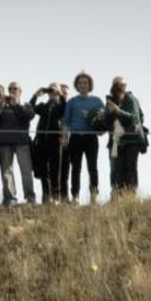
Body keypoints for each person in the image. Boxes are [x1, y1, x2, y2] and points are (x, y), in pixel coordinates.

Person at [62, 72, 104, 203]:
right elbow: (66, 122)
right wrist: (64, 137)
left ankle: (93, 196)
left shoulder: (97, 101)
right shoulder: (72, 102)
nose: (82, 85)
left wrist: (92, 116)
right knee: (76, 168)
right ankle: (75, 196)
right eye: (80, 83)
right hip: (75, 137)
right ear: (77, 85)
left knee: (92, 167)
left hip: (91, 138)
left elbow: (103, 120)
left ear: (89, 84)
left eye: (85, 83)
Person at [0, 83, 35, 205]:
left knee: (26, 169)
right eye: (10, 89)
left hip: (22, 142)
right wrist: (1, 104)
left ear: (20, 91)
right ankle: (10, 197)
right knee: (6, 171)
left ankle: (30, 197)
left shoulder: (26, 105)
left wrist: (17, 104)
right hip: (5, 141)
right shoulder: (3, 105)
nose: (12, 91)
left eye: (15, 89)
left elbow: (29, 116)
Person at [104, 77, 145, 194]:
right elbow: (107, 122)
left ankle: (131, 194)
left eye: (122, 84)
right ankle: (119, 195)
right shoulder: (110, 101)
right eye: (116, 84)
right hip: (117, 141)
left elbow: (134, 118)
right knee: (118, 170)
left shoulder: (131, 99)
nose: (119, 87)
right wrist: (104, 115)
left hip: (132, 139)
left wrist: (118, 111)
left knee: (131, 167)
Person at [31, 83, 67, 203]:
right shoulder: (43, 106)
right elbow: (30, 109)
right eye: (50, 90)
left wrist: (60, 95)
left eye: (54, 90)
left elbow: (65, 110)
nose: (52, 92)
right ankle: (46, 196)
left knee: (55, 169)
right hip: (41, 141)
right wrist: (36, 95)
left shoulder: (60, 106)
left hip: (54, 141)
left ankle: (56, 195)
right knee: (42, 170)